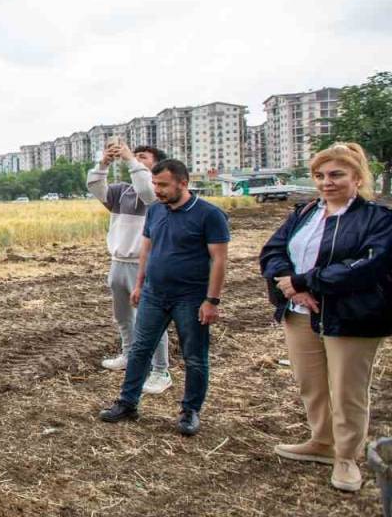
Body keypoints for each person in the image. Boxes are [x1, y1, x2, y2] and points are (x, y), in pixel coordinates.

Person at [259, 142, 392, 492]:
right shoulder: (304, 214)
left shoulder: (377, 218)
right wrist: (291, 288)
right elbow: (273, 251)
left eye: (336, 175)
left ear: (357, 177)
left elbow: (368, 266)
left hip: (351, 317)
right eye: (319, 175)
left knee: (348, 390)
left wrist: (307, 281)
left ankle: (347, 458)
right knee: (311, 384)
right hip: (300, 313)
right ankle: (322, 441)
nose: (326, 182)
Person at [99, 160, 229, 436]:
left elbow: (219, 260)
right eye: (155, 184)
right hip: (154, 294)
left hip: (191, 297)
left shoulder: (209, 215)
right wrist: (139, 283)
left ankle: (190, 411)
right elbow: (146, 248)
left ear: (183, 182)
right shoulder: (156, 211)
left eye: (163, 185)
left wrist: (212, 301)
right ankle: (128, 402)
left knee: (194, 356)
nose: (156, 190)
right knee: (140, 349)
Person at [87, 142, 173, 395]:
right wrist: (103, 163)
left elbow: (147, 188)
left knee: (152, 319)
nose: (134, 159)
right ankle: (128, 354)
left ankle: (160, 371)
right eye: (134, 156)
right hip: (118, 261)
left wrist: (129, 160)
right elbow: (95, 186)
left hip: (144, 264)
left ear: (156, 166)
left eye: (142, 157)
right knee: (122, 315)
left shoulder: (158, 193)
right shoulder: (122, 192)